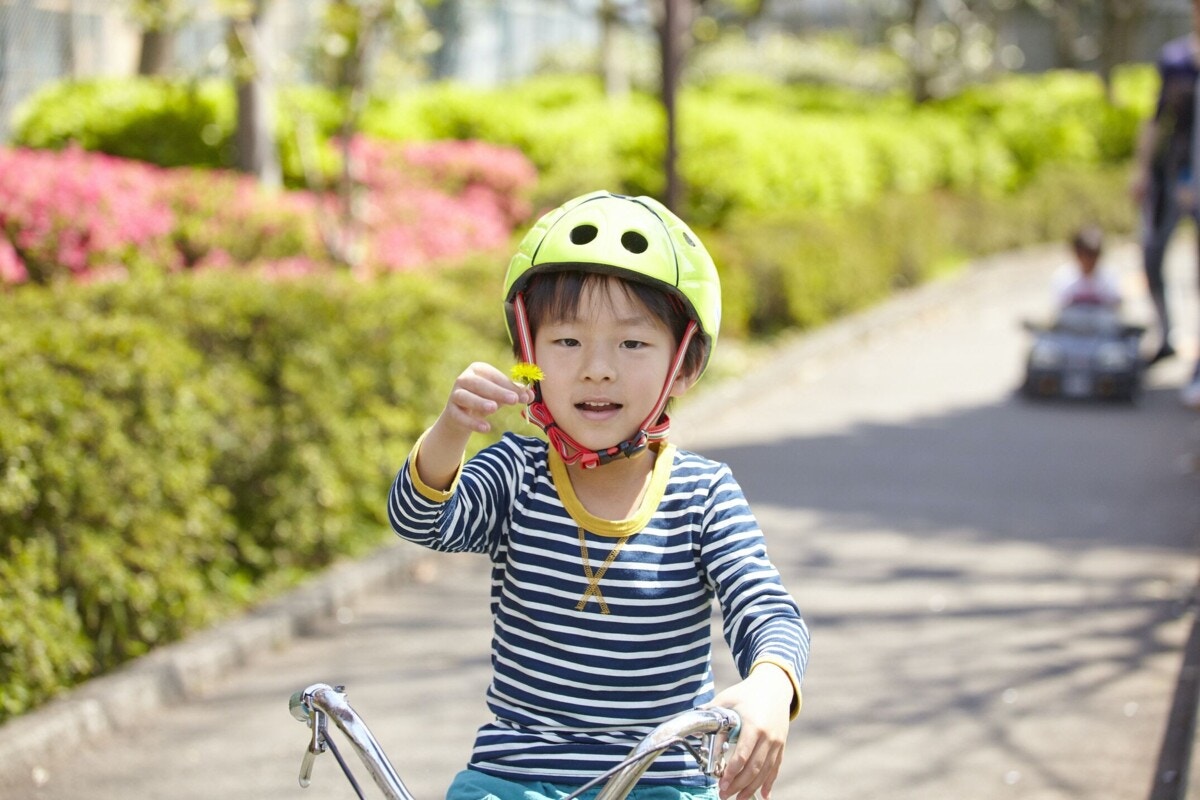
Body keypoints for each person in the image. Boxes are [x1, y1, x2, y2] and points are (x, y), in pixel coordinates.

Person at [388, 190, 809, 800]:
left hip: (658, 776)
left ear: (683, 368)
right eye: (566, 342)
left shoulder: (703, 495)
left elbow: (766, 607)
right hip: (515, 776)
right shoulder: (517, 474)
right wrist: (451, 429)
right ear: (529, 356)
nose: (597, 368)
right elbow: (422, 520)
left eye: (632, 344)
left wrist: (772, 683)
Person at [1129, 4, 1200, 404]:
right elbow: (1156, 118)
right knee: (1152, 256)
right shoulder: (1175, 60)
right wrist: (1141, 169)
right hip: (1174, 175)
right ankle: (1167, 333)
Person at [1051, 226, 1122, 312]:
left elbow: (1116, 306)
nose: (1089, 260)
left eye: (1092, 255)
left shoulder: (1109, 277)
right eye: (1085, 255)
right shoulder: (1064, 277)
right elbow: (1058, 308)